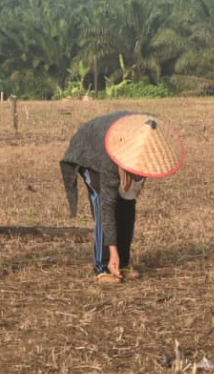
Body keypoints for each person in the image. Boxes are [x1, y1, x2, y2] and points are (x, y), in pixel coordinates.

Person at [61, 112, 185, 283]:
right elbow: (107, 206)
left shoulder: (149, 141)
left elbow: (128, 197)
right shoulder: (108, 160)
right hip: (90, 154)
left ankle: (123, 263)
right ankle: (103, 267)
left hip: (112, 145)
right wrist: (112, 250)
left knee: (126, 206)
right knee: (102, 202)